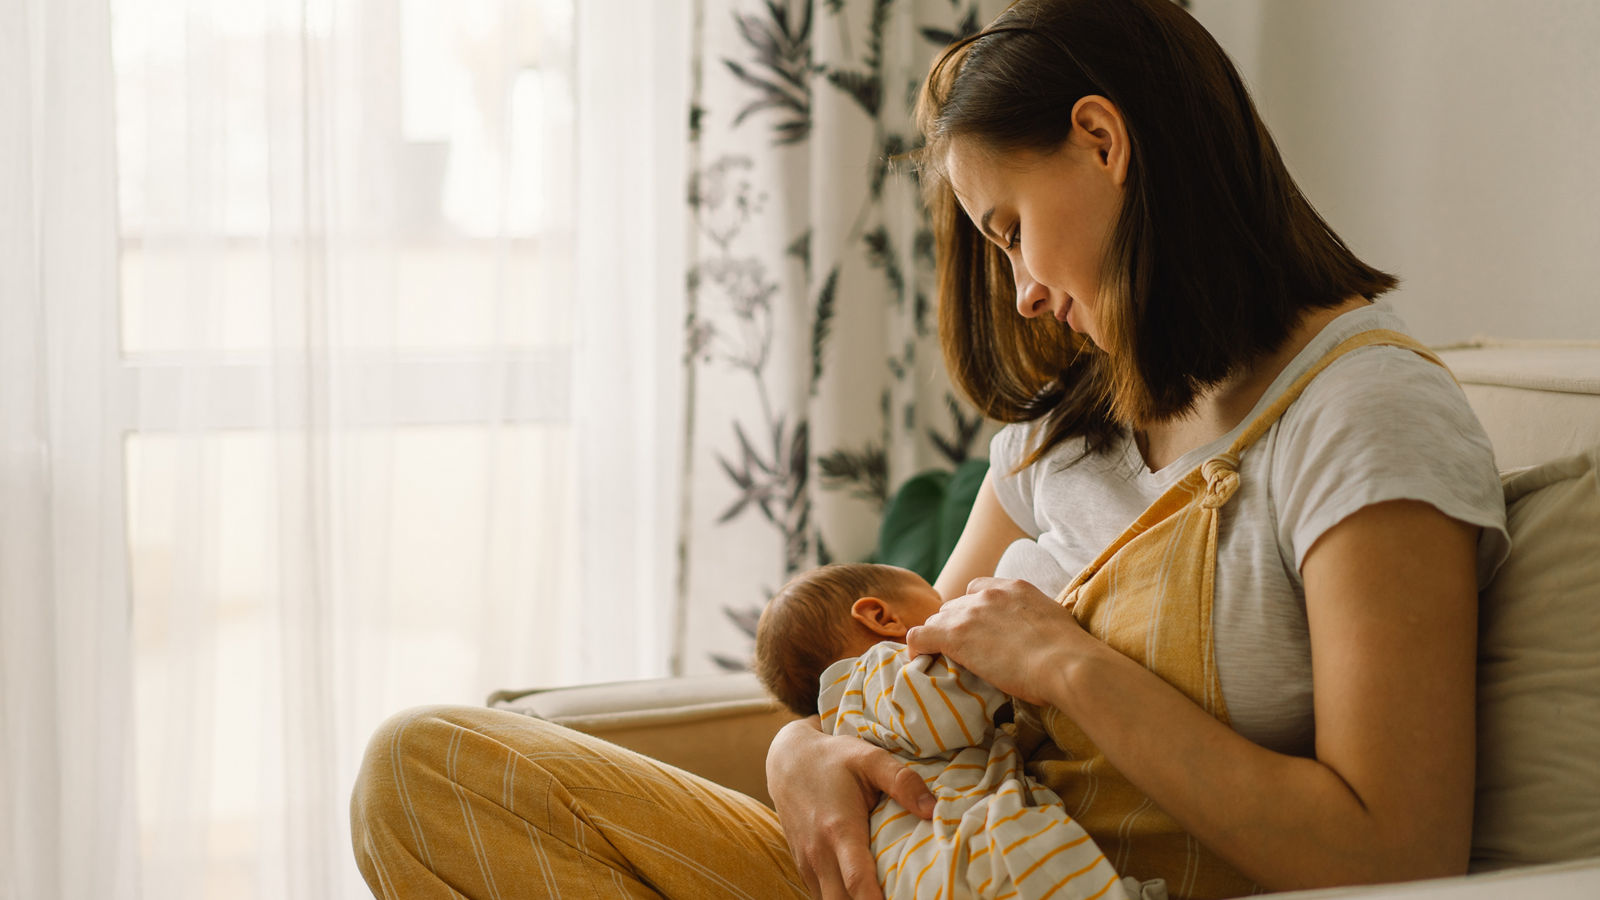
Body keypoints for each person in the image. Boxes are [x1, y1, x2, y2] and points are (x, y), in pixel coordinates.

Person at [349, 1, 1509, 898]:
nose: (1026, 292)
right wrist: (798, 753)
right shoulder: (1065, 427)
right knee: (424, 772)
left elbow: (1393, 852)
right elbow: (901, 688)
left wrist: (1068, 667)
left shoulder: (1361, 417)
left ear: (1102, 141)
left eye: (1010, 231)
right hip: (928, 867)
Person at [753, 563, 1164, 900]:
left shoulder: (850, 719)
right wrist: (1004, 650)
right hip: (955, 847)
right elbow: (938, 709)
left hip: (920, 864)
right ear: (881, 616)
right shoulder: (876, 672)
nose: (954, 609)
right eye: (941, 602)